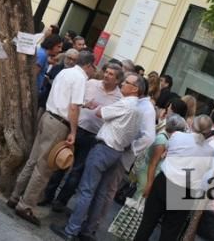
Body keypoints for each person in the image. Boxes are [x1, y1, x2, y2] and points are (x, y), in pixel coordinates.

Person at [51, 73, 145, 239]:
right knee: (100, 193)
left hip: (104, 149)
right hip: (117, 152)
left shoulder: (125, 104)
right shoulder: (138, 109)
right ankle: (87, 230)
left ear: (135, 89)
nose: (122, 84)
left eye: (126, 82)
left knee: (86, 190)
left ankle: (71, 230)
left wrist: (94, 106)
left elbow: (100, 113)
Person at [8, 51, 96, 226]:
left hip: (48, 116)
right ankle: (25, 205)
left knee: (33, 160)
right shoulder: (80, 78)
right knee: (44, 168)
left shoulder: (65, 71)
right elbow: (73, 107)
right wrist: (73, 131)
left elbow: (63, 98)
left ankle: (15, 196)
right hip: (58, 124)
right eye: (94, 67)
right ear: (89, 65)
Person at [44, 60, 124, 211]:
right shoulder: (91, 83)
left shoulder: (119, 99)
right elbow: (77, 101)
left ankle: (61, 202)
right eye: (106, 72)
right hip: (77, 128)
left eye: (111, 74)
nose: (106, 75)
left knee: (77, 171)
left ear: (118, 80)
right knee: (61, 162)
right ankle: (47, 195)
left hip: (93, 136)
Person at [133, 113, 214, 241]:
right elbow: (206, 169)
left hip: (165, 183)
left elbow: (168, 149)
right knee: (170, 233)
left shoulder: (177, 136)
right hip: (186, 192)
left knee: (147, 224)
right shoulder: (210, 151)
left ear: (192, 124)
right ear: (209, 132)